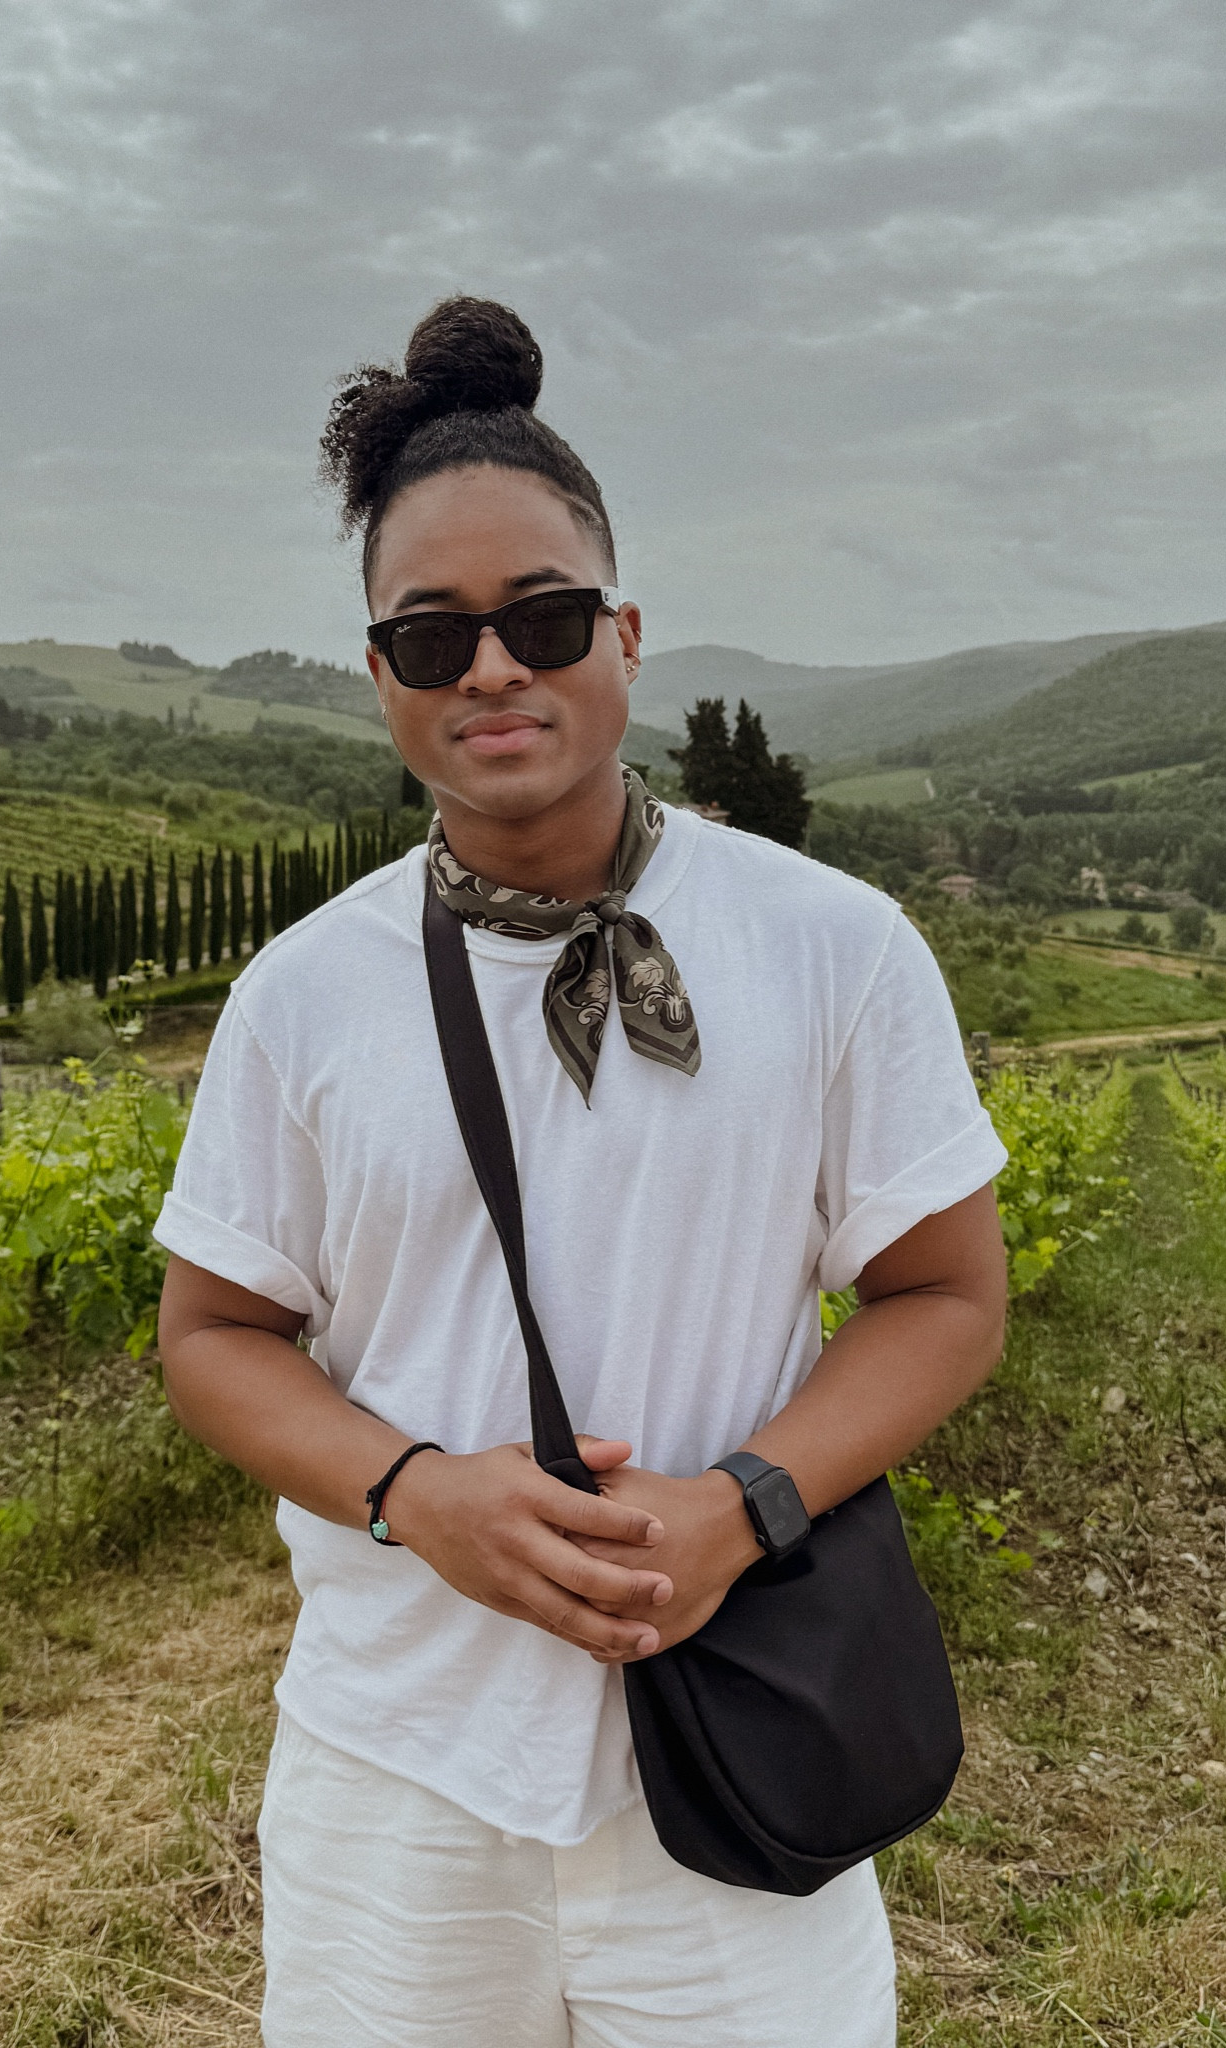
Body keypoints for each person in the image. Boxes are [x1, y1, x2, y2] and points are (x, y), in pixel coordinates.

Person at [155, 296, 1010, 2048]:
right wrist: (418, 1494)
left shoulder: (832, 946)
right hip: (398, 1768)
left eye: (542, 618)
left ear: (622, 633)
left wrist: (743, 1507)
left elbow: (943, 1294)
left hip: (738, 1731)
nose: (494, 670)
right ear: (377, 669)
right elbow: (213, 1333)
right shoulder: (299, 996)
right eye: (430, 636)